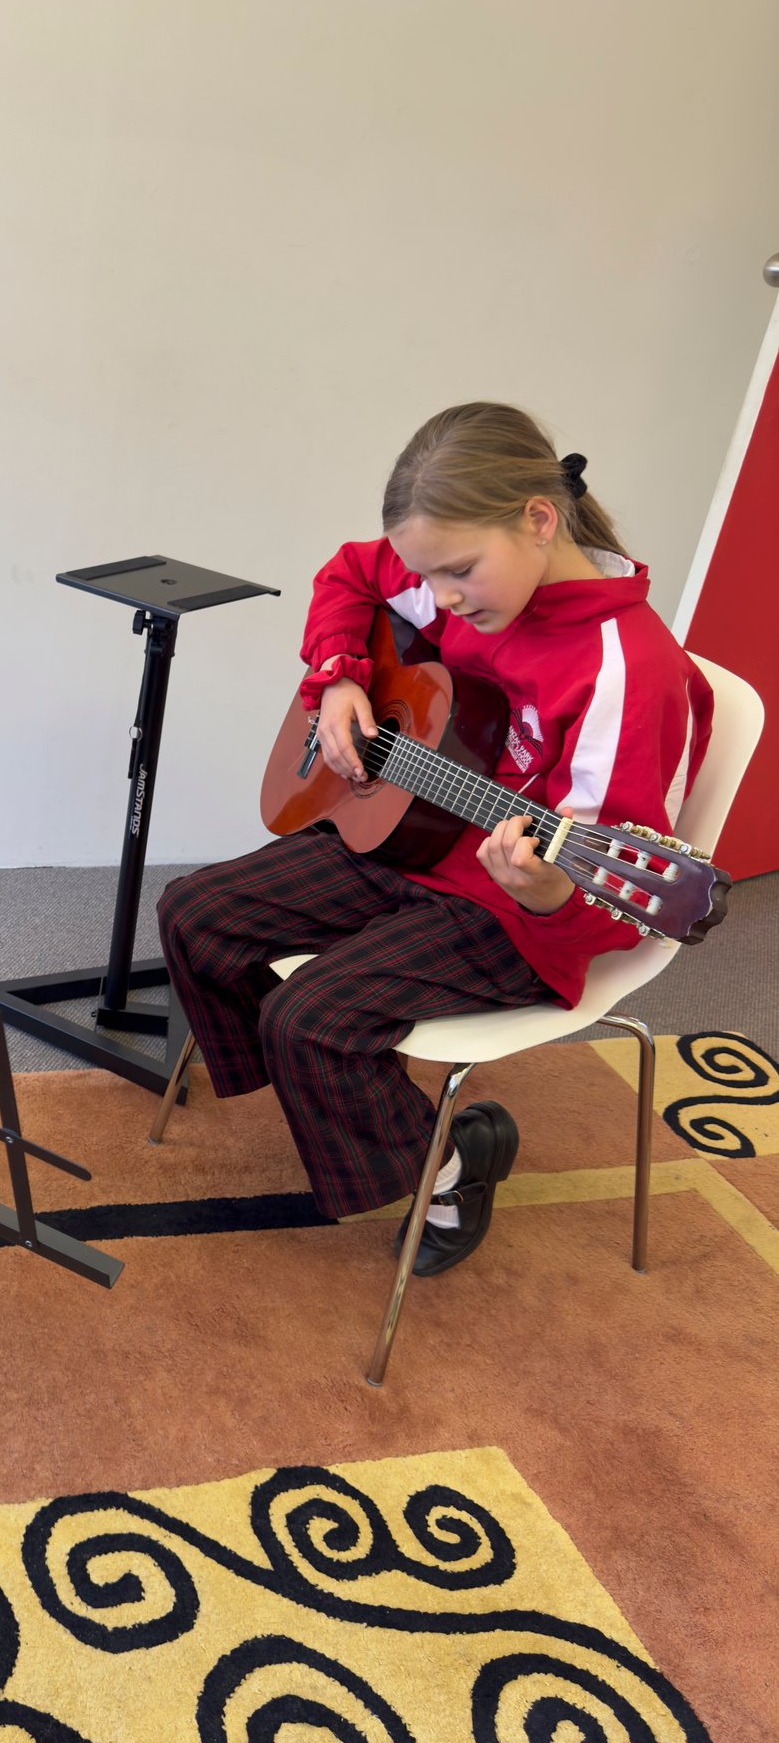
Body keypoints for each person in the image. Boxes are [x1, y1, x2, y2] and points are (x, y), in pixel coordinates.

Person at [158, 402, 714, 1274]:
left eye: (459, 573)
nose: (443, 598)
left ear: (539, 519)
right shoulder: (447, 575)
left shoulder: (628, 674)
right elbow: (350, 574)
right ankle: (338, 1105)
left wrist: (548, 887)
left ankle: (452, 1165)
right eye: (431, 576)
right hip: (410, 839)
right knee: (195, 912)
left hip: (514, 915)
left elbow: (616, 916)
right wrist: (338, 682)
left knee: (307, 1015)